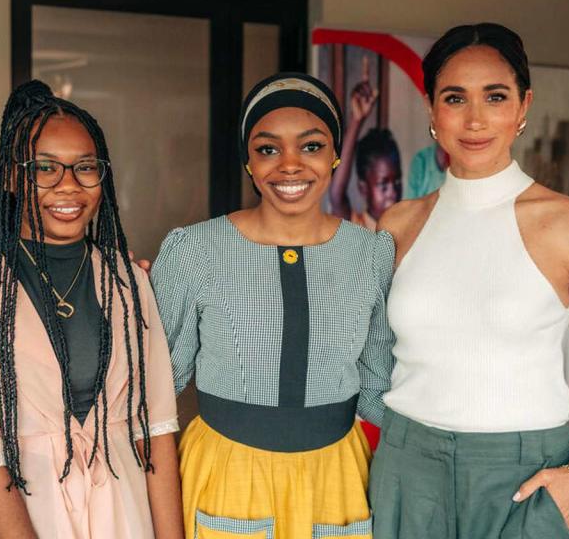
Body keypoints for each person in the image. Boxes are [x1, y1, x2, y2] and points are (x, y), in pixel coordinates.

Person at [371, 23, 569, 539]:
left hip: (523, 469)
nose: (476, 119)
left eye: (496, 96)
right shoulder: (397, 224)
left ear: (523, 107)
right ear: (431, 109)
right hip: (406, 461)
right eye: (455, 97)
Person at [0, 81, 183, 539]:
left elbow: (157, 433)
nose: (68, 185)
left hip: (125, 516)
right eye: (44, 167)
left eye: (85, 167)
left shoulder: (128, 280)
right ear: (11, 176)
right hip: (23, 517)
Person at [152, 72, 395, 538]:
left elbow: (381, 390)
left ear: (336, 154)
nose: (289, 165)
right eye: (268, 148)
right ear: (248, 160)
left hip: (335, 481)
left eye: (311, 146)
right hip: (226, 474)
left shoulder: (371, 254)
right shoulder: (193, 251)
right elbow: (154, 391)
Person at [329, 80, 403, 231]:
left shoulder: (405, 229)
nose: (393, 193)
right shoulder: (354, 227)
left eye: (397, 181)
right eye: (383, 185)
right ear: (363, 188)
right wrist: (357, 120)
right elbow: (337, 194)